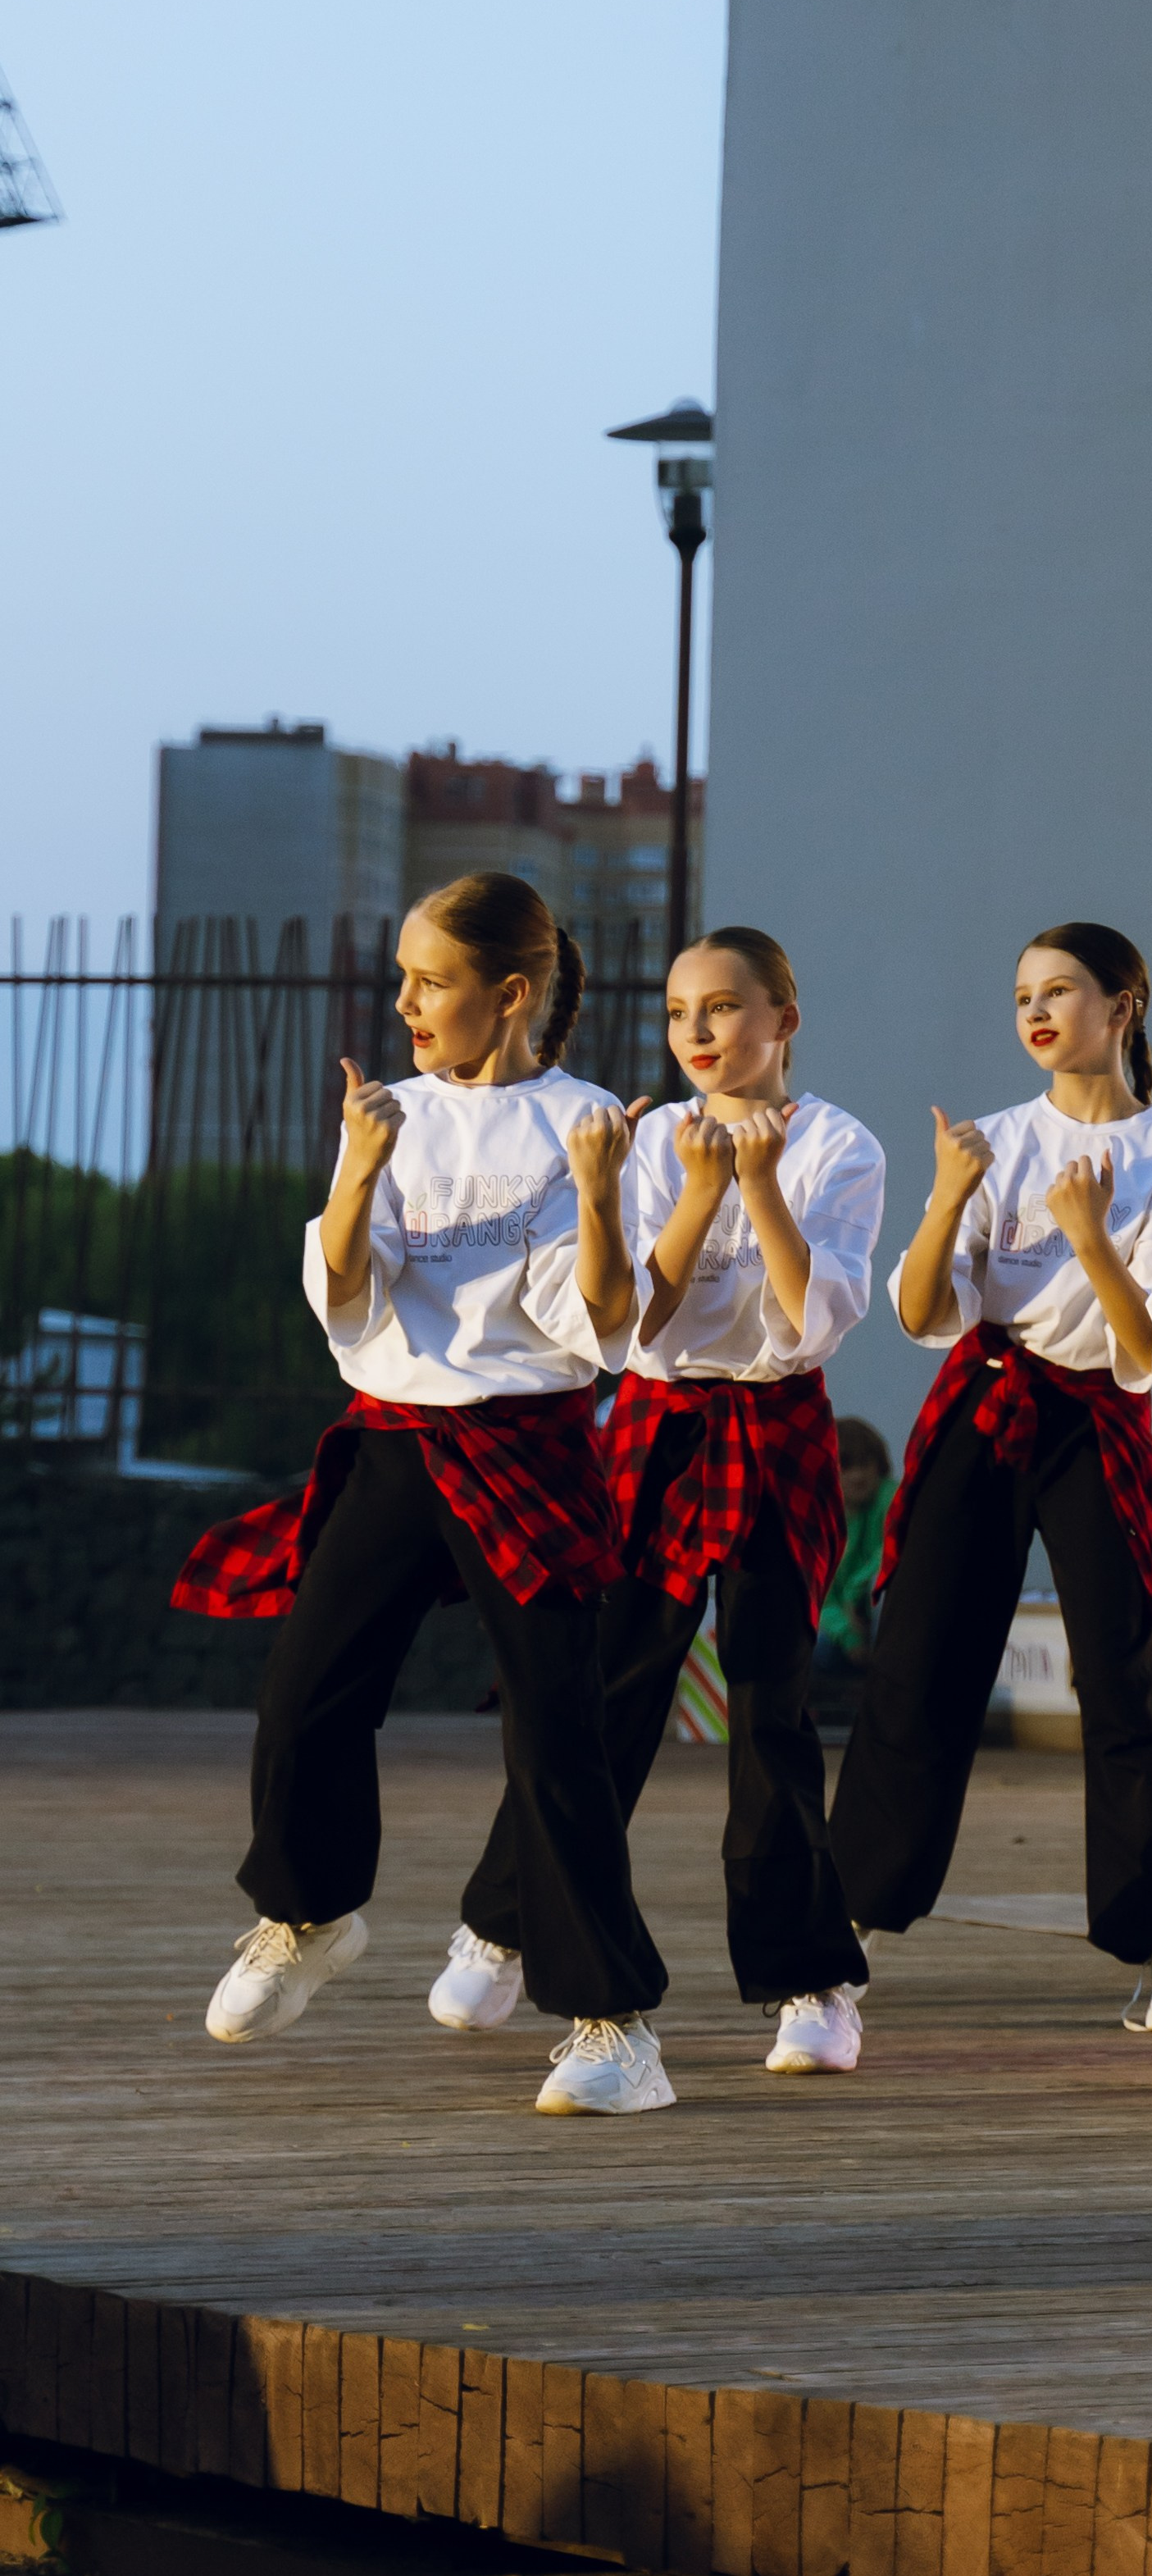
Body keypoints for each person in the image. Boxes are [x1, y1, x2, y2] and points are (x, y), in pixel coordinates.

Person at [171, 873, 672, 2118]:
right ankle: (308, 1916)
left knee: (557, 1735)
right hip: (397, 1435)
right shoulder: (386, 1112)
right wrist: (358, 1167)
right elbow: (348, 1298)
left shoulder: (592, 1120)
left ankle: (615, 2028)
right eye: (403, 975)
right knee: (304, 1692)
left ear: (509, 995)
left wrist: (604, 1191)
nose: (403, 1001)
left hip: (529, 1445)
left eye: (430, 980)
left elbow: (605, 1322)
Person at [435, 928, 885, 2076]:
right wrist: (697, 1188)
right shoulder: (643, 1145)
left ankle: (811, 1982)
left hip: (777, 1429)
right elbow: (627, 1320)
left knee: (771, 1704)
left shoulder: (840, 1145)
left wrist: (762, 1182)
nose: (697, 1030)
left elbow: (813, 1315)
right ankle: (503, 1918)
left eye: (726, 1007)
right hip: (655, 1421)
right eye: (682, 1009)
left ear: (785, 1019)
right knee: (605, 1688)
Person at [826, 921, 1152, 2031]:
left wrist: (1090, 1237)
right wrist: (950, 1194)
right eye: (1022, 996)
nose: (1036, 1012)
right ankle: (843, 1929)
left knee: (1128, 1679)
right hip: (985, 1408)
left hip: (1098, 1423)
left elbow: (1145, 1353)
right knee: (918, 1663)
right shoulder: (992, 1140)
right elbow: (916, 1313)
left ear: (1123, 1004)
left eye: (1060, 990)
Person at [813, 1419, 896, 1712]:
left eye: (866, 1464)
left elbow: (893, 1554)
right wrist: (849, 1636)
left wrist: (853, 1594)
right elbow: (815, 1594)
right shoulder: (817, 1516)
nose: (858, 1477)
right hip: (840, 1632)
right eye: (845, 1467)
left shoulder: (892, 1498)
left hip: (884, 1626)